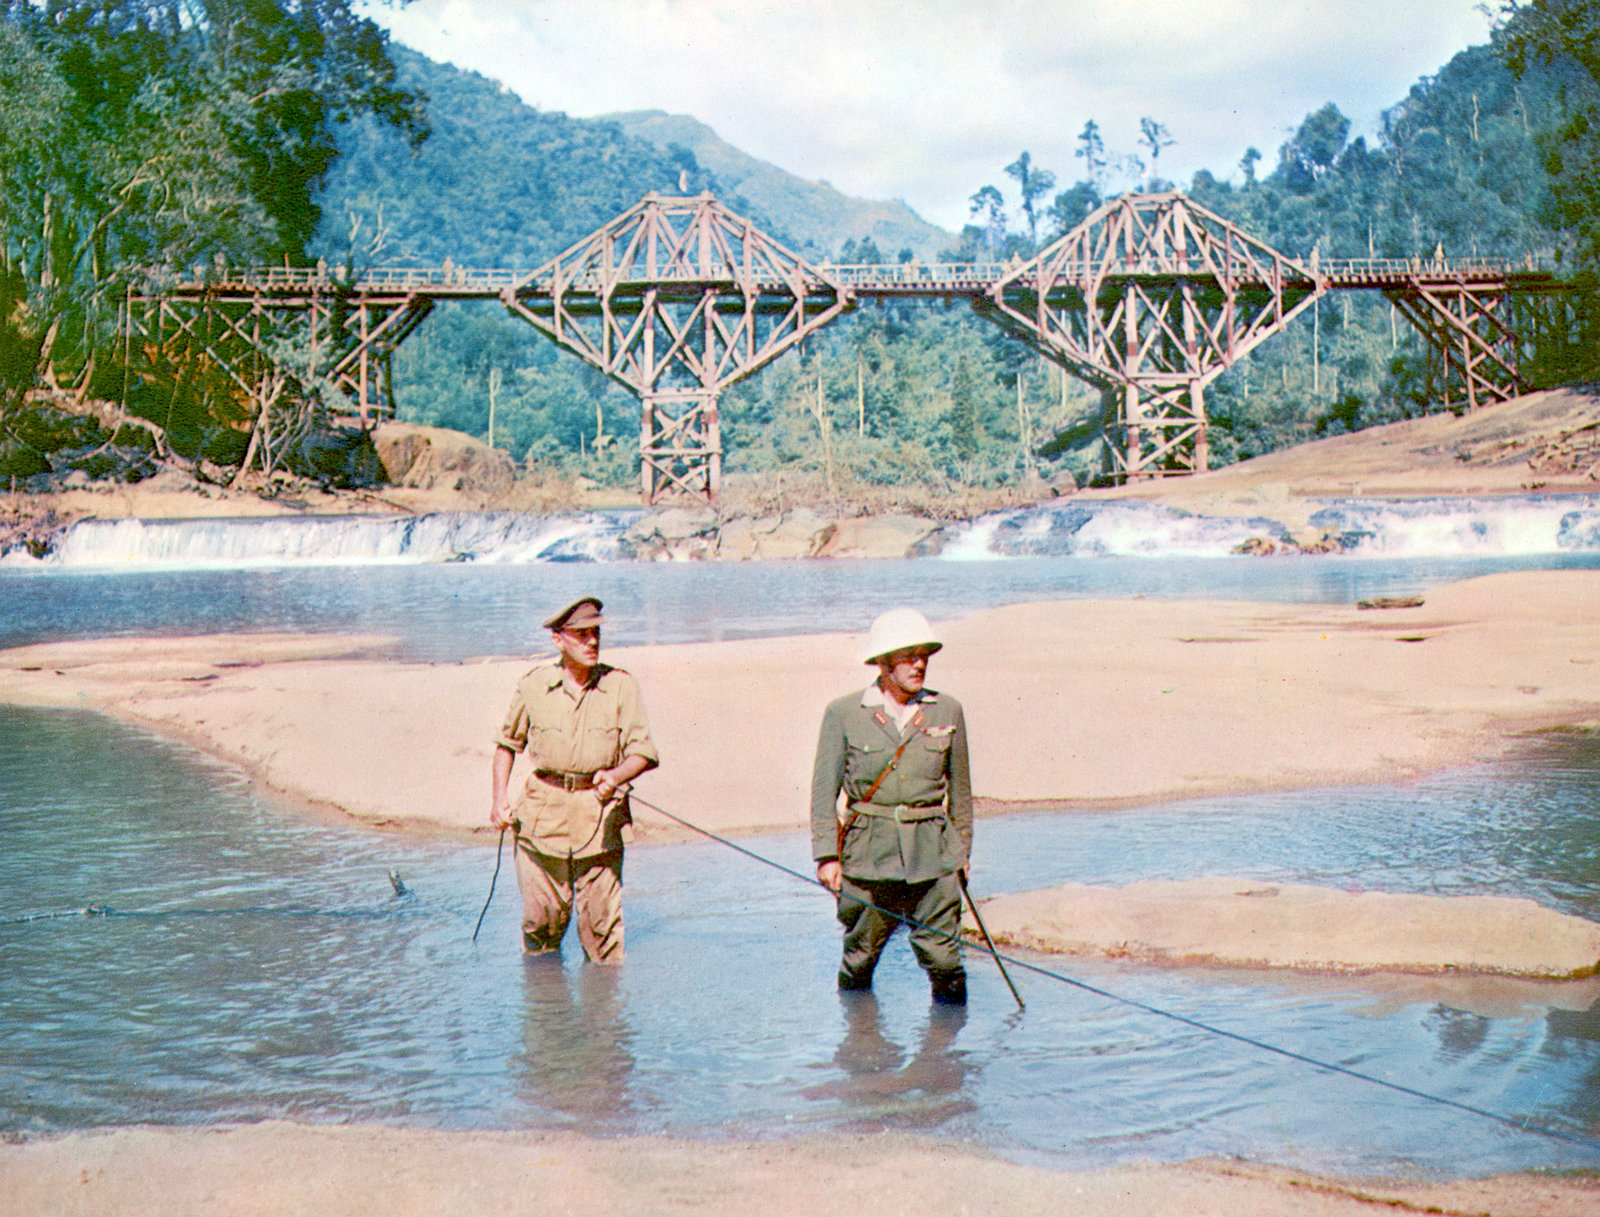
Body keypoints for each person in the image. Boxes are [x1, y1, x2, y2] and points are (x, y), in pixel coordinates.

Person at [810, 607, 973, 1004]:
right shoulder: (844, 713)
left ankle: (949, 1058)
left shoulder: (946, 710)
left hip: (932, 856)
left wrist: (961, 853)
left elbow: (962, 794)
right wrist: (827, 857)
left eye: (924, 655)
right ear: (883, 662)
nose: (919, 664)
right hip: (868, 857)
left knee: (945, 961)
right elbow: (822, 792)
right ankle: (859, 1050)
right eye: (907, 656)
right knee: (860, 959)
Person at [490, 596, 658, 963]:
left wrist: (615, 775)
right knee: (541, 926)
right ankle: (547, 1013)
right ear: (558, 640)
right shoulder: (533, 686)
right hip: (540, 823)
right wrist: (498, 799)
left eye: (595, 632)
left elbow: (643, 753)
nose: (592, 642)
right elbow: (506, 745)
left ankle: (604, 1018)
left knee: (603, 937)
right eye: (582, 634)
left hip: (599, 822)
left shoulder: (620, 686)